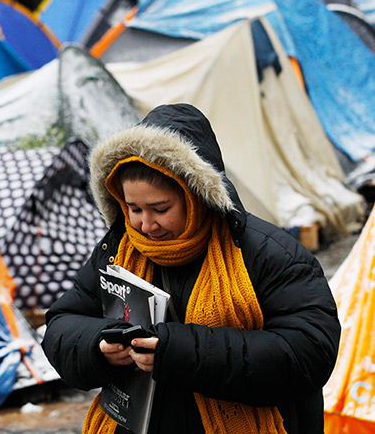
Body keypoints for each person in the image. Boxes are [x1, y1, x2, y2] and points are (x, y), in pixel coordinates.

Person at [41, 103, 341, 434]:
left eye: (160, 208)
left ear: (196, 195)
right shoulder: (117, 250)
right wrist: (98, 347)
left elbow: (308, 354)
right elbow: (61, 326)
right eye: (133, 208)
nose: (146, 224)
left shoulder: (269, 254)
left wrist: (180, 353)